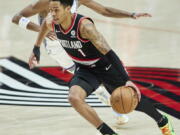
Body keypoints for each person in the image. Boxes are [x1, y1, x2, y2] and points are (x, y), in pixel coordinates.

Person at [28, 0, 176, 135]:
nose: (52, 13)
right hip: (84, 69)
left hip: (105, 65)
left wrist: (127, 80)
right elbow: (44, 27)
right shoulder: (51, 21)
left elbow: (109, 52)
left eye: (56, 10)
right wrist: (36, 48)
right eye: (50, 10)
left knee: (131, 100)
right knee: (74, 97)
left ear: (68, 9)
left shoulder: (85, 26)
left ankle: (162, 121)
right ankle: (108, 132)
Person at [12, 0, 151, 125]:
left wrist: (131, 14)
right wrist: (41, 31)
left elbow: (104, 10)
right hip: (57, 46)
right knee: (89, 75)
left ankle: (110, 97)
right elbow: (16, 18)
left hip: (77, 40)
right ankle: (106, 96)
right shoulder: (44, 2)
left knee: (103, 68)